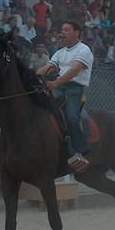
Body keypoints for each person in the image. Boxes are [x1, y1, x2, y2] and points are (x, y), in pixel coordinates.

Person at [35, 19, 93, 173]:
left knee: (71, 116)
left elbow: (74, 71)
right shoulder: (60, 52)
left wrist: (55, 83)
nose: (63, 33)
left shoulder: (84, 50)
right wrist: (33, 75)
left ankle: (79, 149)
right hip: (60, 86)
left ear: (76, 33)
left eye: (67, 29)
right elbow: (49, 67)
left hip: (74, 88)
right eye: (62, 29)